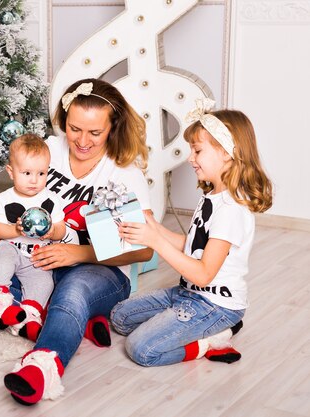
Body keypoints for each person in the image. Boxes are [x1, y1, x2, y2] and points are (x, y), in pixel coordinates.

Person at [0, 78, 153, 405]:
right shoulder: (49, 149)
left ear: (112, 127)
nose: (82, 141)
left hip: (96, 270)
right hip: (34, 262)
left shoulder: (121, 172)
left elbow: (143, 248)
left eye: (95, 132)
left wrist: (78, 253)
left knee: (71, 293)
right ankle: (69, 318)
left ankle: (42, 364)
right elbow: (12, 200)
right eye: (75, 129)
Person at [110, 99, 273, 367]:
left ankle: (210, 340)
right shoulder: (211, 194)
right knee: (120, 317)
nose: (190, 158)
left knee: (141, 349)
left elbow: (203, 272)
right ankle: (186, 325)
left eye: (197, 151)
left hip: (214, 304)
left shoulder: (231, 209)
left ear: (226, 153)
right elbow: (193, 245)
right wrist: (155, 229)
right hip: (187, 293)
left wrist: (155, 242)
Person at [0, 134, 67, 342]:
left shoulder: (51, 199)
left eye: (41, 173)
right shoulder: (4, 199)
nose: (34, 180)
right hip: (10, 248)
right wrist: (16, 231)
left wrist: (52, 232)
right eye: (27, 173)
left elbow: (61, 229)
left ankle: (29, 316)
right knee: (1, 259)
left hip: (35, 257)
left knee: (44, 282)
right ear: (11, 172)